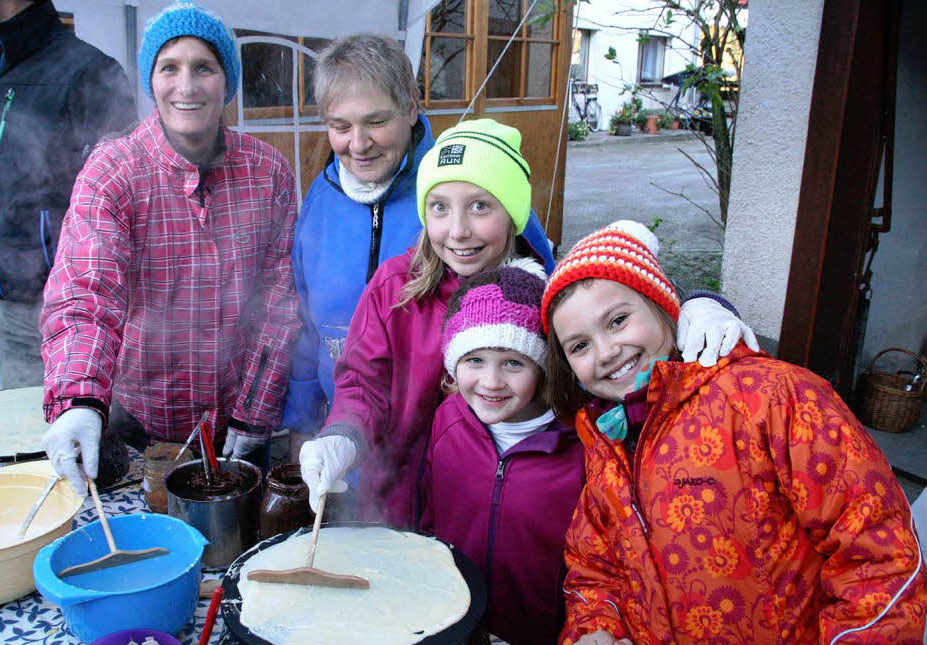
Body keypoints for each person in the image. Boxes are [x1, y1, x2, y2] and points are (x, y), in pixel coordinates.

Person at [299, 120, 754, 529]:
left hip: (509, 515)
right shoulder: (396, 288)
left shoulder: (547, 296)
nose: (457, 230)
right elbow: (363, 384)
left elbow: (632, 305)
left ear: (514, 213)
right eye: (439, 208)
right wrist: (342, 436)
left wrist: (698, 303)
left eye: (479, 206)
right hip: (394, 508)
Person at [541, 222, 927, 645]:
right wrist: (594, 632)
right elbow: (594, 567)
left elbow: (879, 556)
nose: (605, 351)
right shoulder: (606, 442)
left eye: (618, 320)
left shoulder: (771, 399)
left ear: (666, 308)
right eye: (580, 345)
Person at [39, 0, 300, 494]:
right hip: (138, 425)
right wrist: (78, 401)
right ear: (150, 80)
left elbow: (278, 304)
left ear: (226, 80)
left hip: (240, 423)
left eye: (203, 67)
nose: (186, 86)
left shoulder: (267, 172)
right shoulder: (113, 172)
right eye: (169, 68)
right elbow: (86, 295)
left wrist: (254, 417)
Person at [281, 33, 556, 456]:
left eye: (375, 122)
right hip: (353, 448)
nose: (358, 144)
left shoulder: (465, 188)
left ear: (411, 106)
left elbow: (555, 298)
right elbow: (305, 327)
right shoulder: (319, 205)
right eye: (341, 126)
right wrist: (305, 425)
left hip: (461, 458)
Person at [0, 0, 137, 388]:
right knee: (24, 446)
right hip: (12, 317)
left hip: (82, 314)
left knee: (98, 443)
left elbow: (130, 204)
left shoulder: (88, 73)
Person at [418, 258, 584, 645]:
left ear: (542, 369)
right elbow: (428, 517)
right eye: (475, 360)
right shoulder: (447, 422)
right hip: (451, 630)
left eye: (513, 362)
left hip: (541, 644)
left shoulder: (578, 450)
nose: (491, 382)